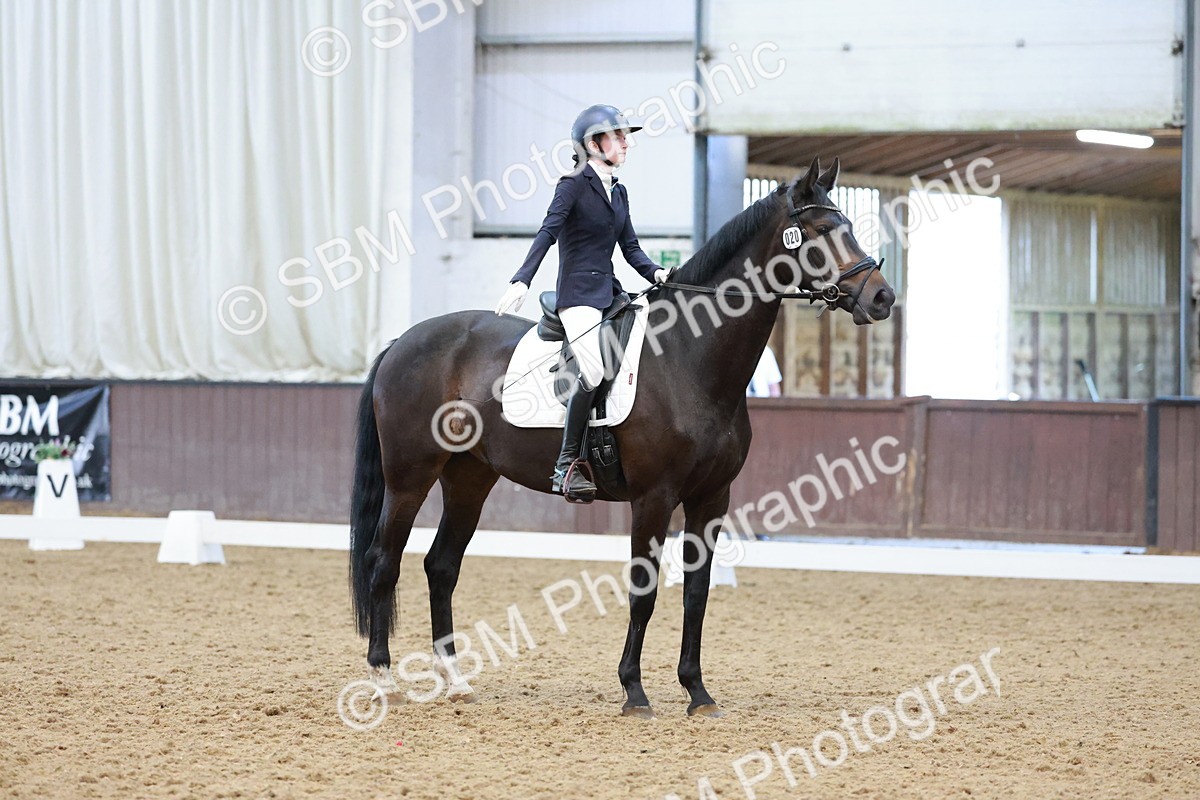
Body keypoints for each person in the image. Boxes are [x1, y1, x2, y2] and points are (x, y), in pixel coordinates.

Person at [495, 104, 671, 502]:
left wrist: (658, 275)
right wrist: (521, 279)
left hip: (609, 292)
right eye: (619, 136)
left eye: (626, 136)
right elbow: (548, 232)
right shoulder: (573, 184)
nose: (627, 142)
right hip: (577, 297)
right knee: (592, 369)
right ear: (594, 143)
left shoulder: (619, 191)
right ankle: (566, 464)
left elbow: (631, 249)